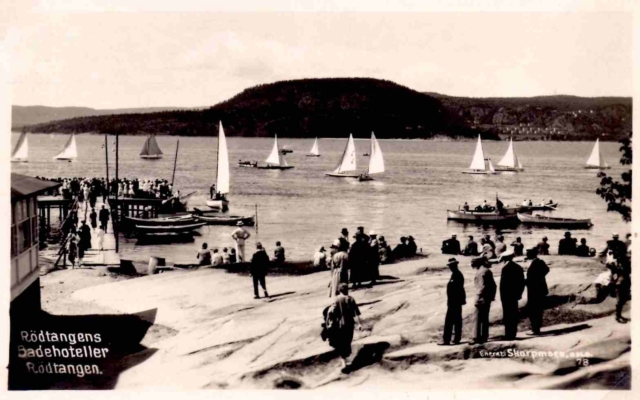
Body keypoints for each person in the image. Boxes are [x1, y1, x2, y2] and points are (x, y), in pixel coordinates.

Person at [325, 283, 363, 371]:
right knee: (347, 341)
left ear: (339, 290)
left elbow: (331, 311)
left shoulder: (336, 299)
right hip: (349, 325)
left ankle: (344, 361)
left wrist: (329, 322)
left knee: (341, 343)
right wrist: (359, 324)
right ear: (347, 290)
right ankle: (345, 360)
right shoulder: (351, 299)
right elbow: (356, 313)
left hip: (339, 325)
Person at [439, 258, 466, 346]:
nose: (450, 267)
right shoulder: (455, 274)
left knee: (450, 321)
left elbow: (458, 289)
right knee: (455, 320)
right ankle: (455, 339)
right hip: (454, 301)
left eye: (451, 266)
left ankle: (448, 340)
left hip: (454, 302)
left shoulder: (457, 275)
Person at [526, 248, 549, 335]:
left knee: (533, 309)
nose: (527, 255)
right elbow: (546, 270)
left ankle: (535, 329)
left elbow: (532, 277)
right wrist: (540, 278)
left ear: (532, 254)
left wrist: (532, 280)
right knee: (538, 309)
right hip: (540, 289)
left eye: (528, 254)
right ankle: (536, 328)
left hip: (534, 290)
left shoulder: (535, 263)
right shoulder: (540, 261)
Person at [472, 258, 496, 344]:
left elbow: (482, 286)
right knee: (485, 317)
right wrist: (492, 296)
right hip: (487, 297)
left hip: (481, 297)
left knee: (477, 317)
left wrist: (478, 297)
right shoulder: (487, 270)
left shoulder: (481, 272)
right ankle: (484, 336)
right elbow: (493, 285)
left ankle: (476, 337)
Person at [500, 260, 525, 340]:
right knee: (513, 314)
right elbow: (522, 282)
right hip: (514, 295)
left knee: (508, 315)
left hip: (507, 296)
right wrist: (519, 294)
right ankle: (512, 333)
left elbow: (504, 285)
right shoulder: (518, 267)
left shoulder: (506, 268)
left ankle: (509, 335)